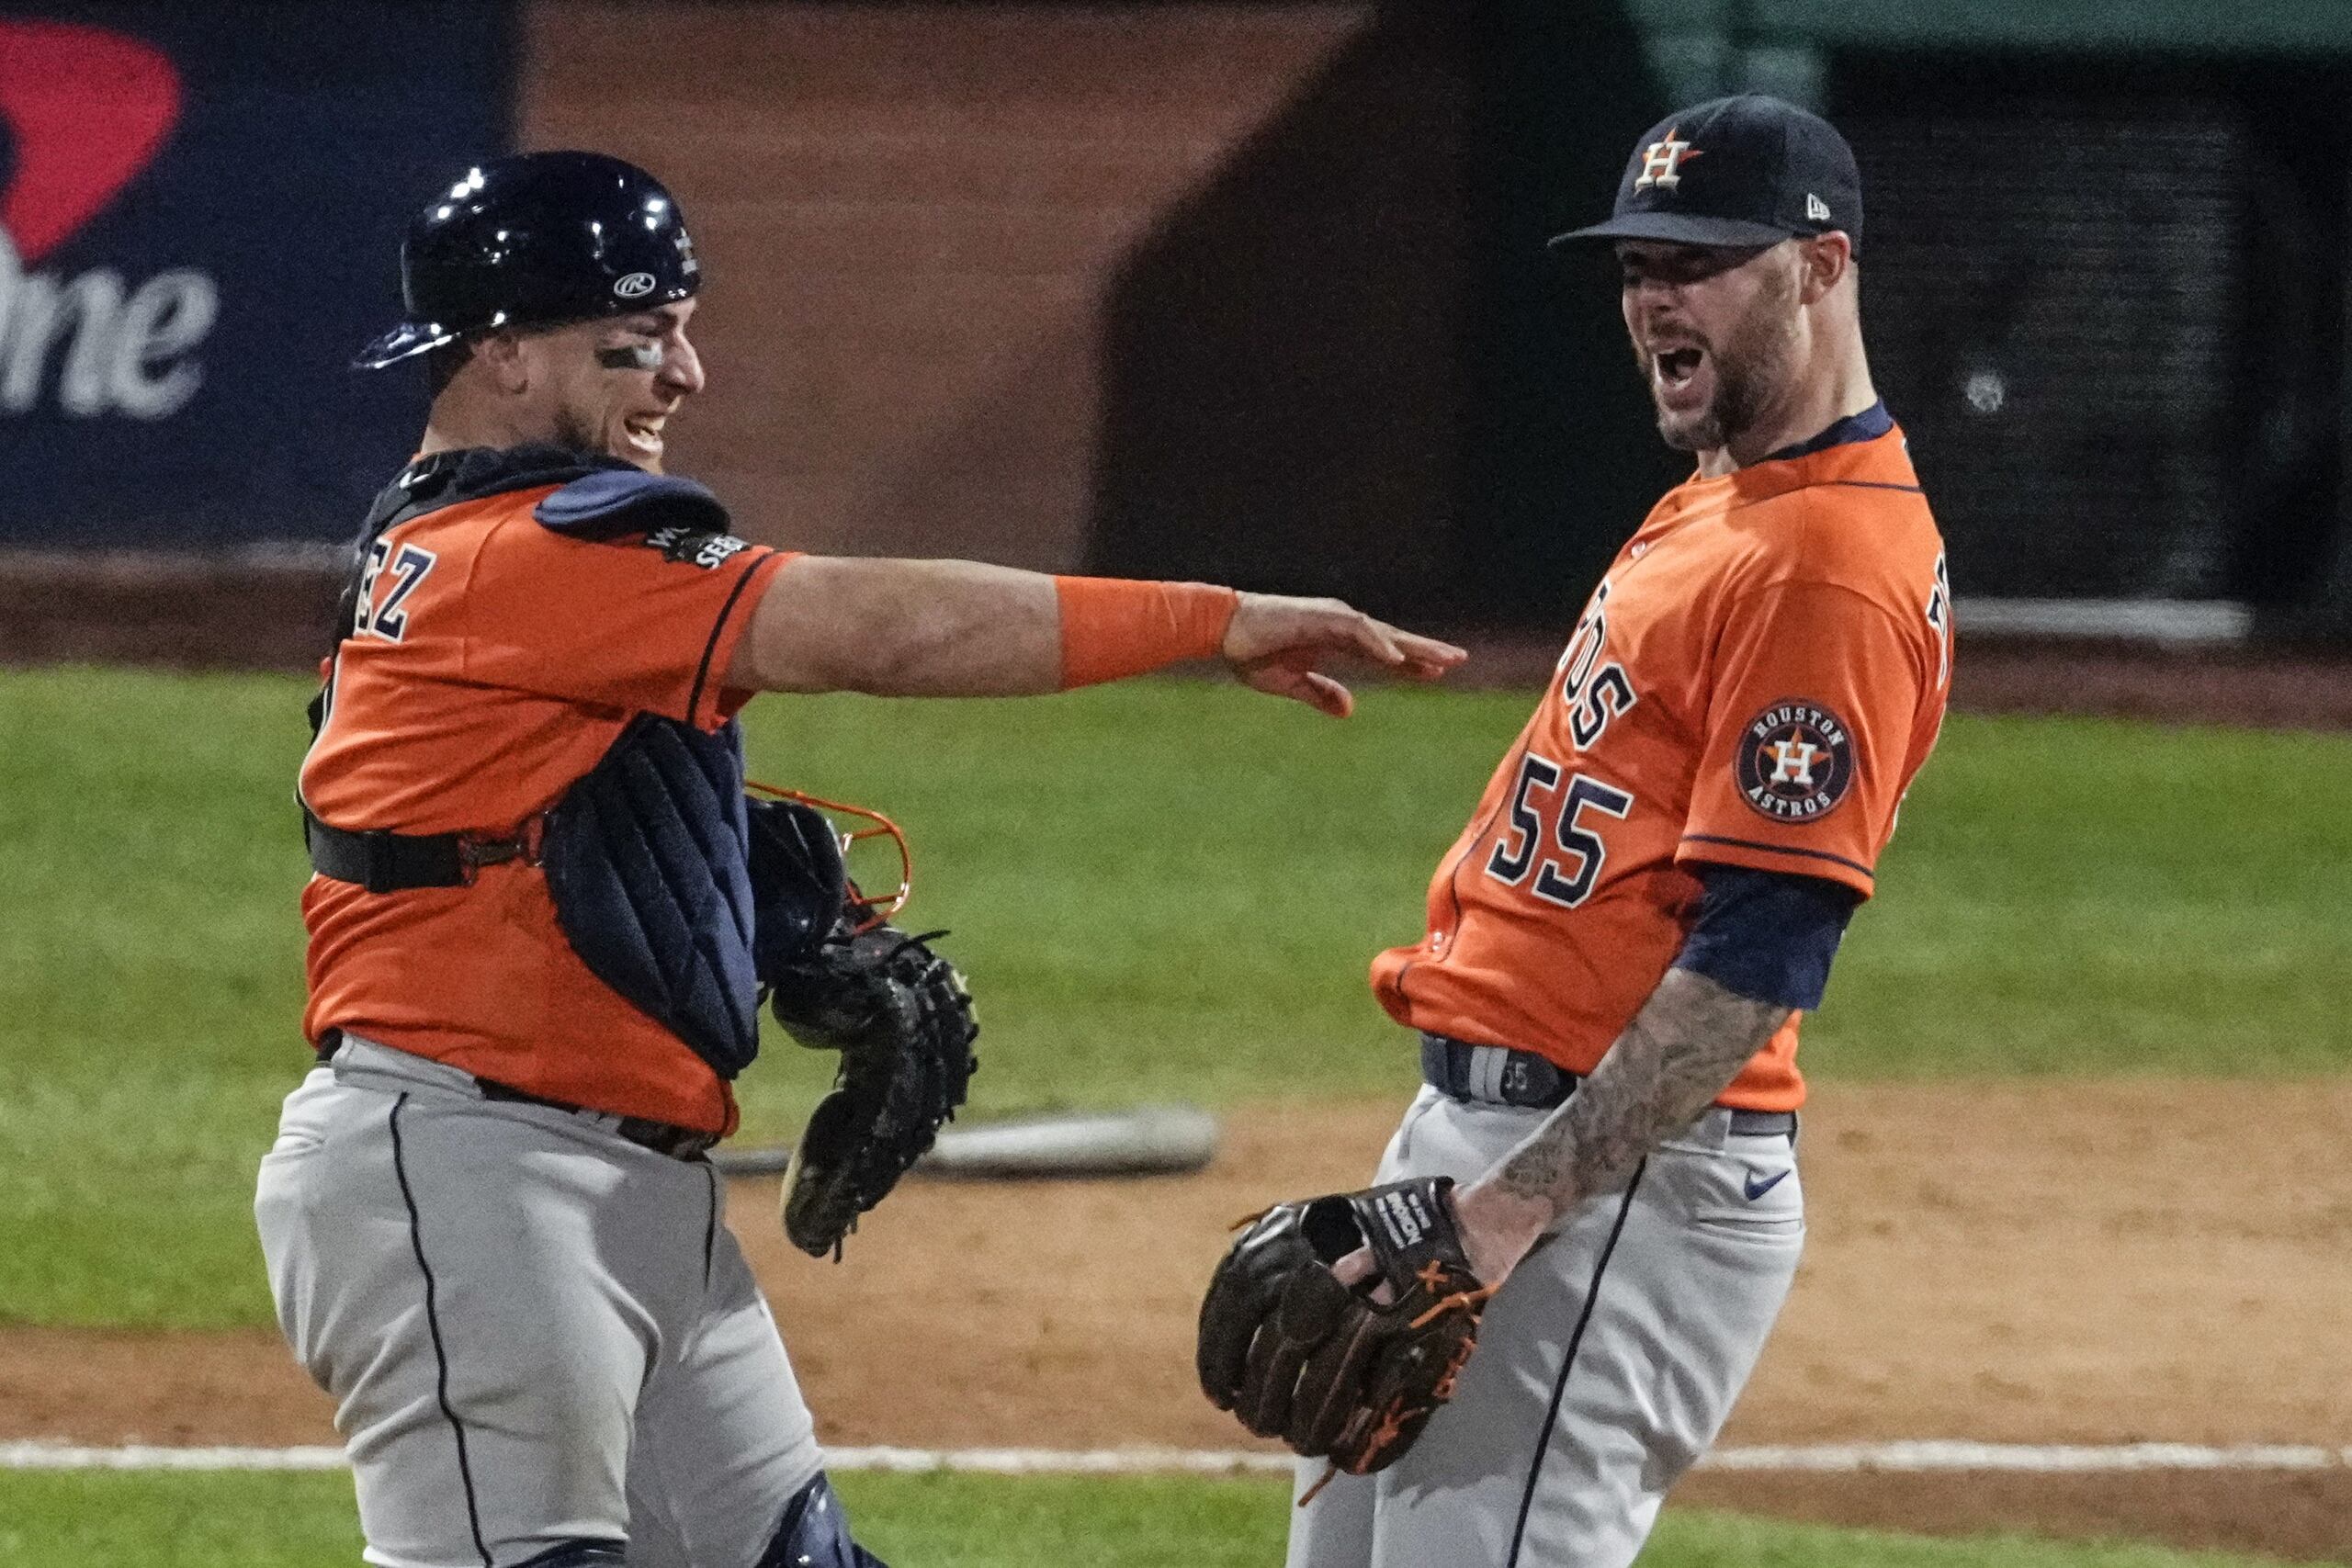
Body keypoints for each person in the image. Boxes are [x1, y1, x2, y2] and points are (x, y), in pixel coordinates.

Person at [254, 150, 1463, 1568]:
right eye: (635, 340)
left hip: (602, 1181)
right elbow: (876, 628)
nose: (682, 374)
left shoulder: (447, 542)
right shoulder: (528, 553)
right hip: (472, 1181)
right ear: (505, 354)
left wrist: (730, 905)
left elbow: (512, 825)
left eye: (683, 329)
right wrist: (1214, 619)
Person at [1204, 95, 1955, 1567]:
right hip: (1495, 1144)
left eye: (1700, 260)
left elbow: (1762, 957)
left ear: (1821, 267)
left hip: (1607, 1191)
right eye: (1636, 265)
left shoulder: (1833, 568)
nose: (1653, 297)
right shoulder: (1728, 497)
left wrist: (1506, 1212)